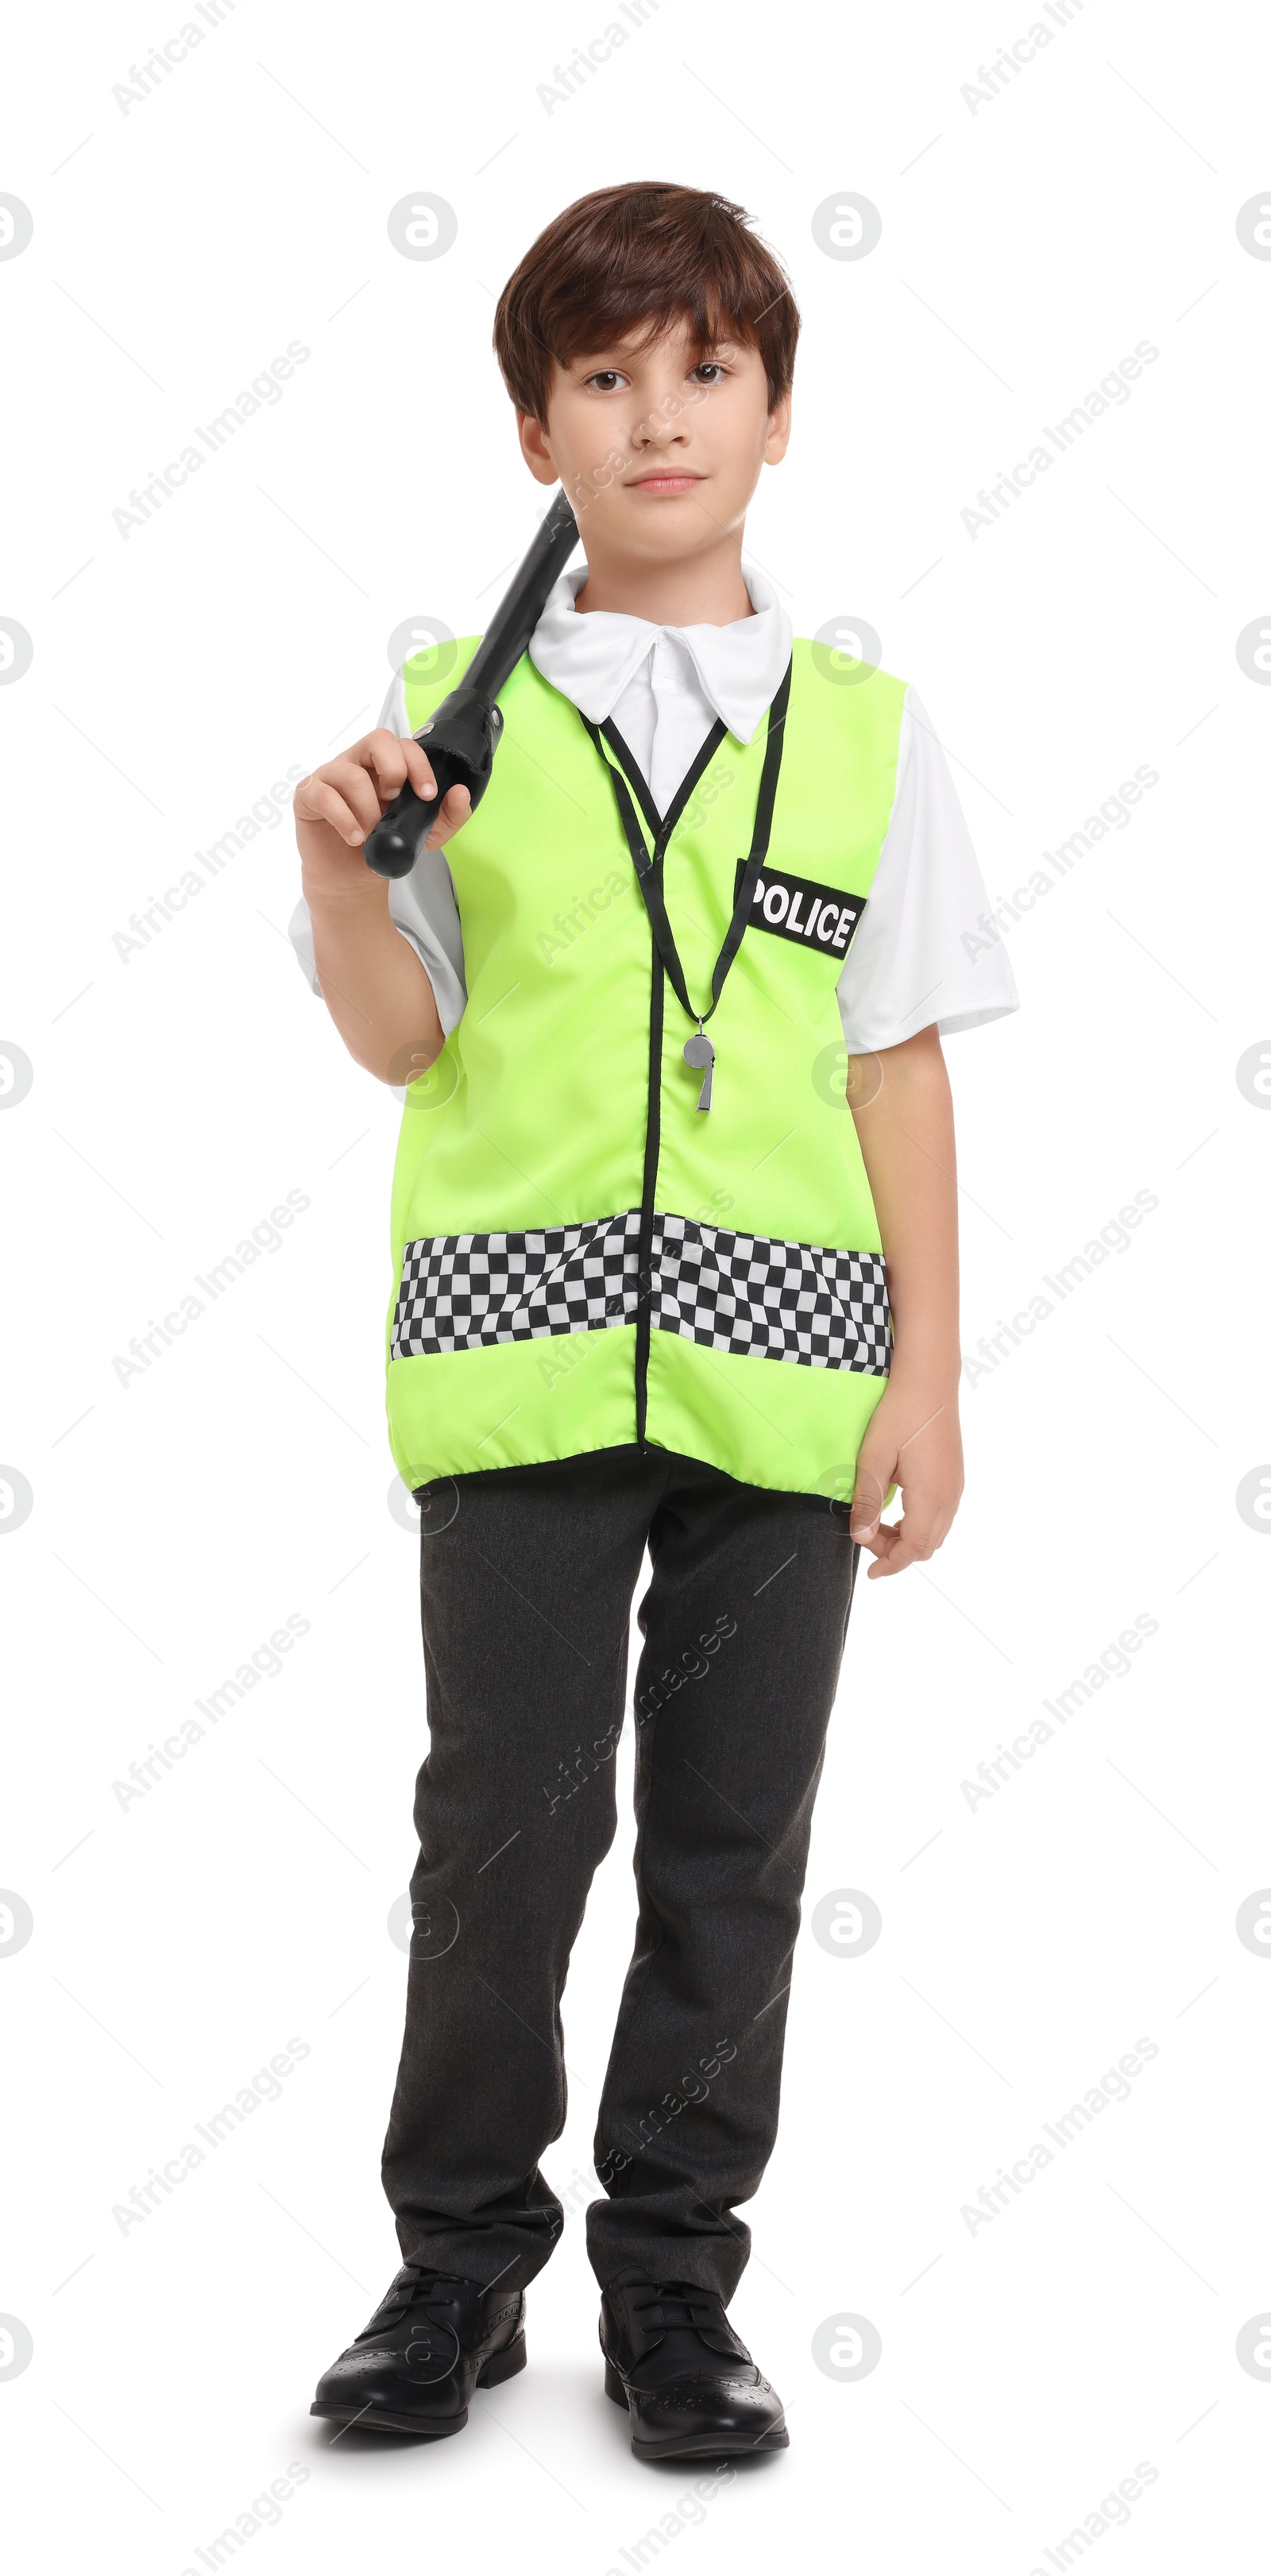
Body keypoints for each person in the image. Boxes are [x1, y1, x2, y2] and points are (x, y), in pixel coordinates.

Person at [288, 180, 1017, 2462]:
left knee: (734, 1843)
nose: (658, 412)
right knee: (502, 1827)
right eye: (602, 376)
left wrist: (929, 1372)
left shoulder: (869, 740)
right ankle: (454, 2264)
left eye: (705, 365)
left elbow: (894, 1061)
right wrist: (341, 869)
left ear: (778, 412)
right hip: (512, 1391)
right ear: (536, 436)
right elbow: (404, 1044)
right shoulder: (442, 730)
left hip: (787, 1400)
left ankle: (676, 2286)